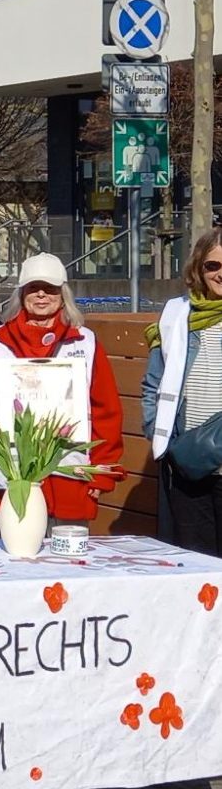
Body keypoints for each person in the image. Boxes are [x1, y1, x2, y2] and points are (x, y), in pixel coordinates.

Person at [0, 253, 124, 521]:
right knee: (16, 558)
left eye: (50, 289)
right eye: (33, 288)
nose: (41, 295)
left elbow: (106, 411)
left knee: (69, 559)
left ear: (63, 295)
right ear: (22, 294)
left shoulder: (85, 343)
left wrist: (103, 470)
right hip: (11, 478)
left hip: (70, 478)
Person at [142, 228, 222, 555]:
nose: (220, 273)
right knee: (197, 566)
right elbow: (153, 382)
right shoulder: (177, 314)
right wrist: (161, 437)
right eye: (212, 265)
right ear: (198, 268)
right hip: (189, 462)